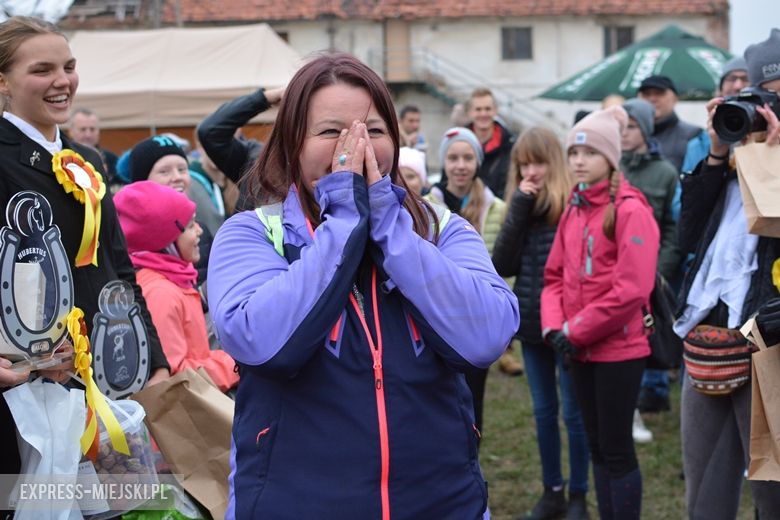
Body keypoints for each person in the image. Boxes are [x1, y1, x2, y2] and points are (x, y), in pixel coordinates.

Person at [207, 52, 519, 519]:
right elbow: (262, 343)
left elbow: (487, 336)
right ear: (292, 143)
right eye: (330, 132)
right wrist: (346, 218)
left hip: (442, 503)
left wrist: (392, 228)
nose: (355, 147)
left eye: (373, 130)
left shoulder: (441, 229)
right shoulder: (252, 233)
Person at [0, 15, 169, 479]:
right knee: (29, 502)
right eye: (42, 70)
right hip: (23, 388)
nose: (62, 81)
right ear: (3, 81)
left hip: (101, 374)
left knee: (117, 502)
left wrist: (152, 358)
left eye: (69, 67)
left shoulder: (86, 160)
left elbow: (118, 267)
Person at [674, 29, 780, 520]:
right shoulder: (738, 159)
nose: (768, 109)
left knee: (772, 494)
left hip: (768, 341)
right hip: (708, 338)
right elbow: (689, 235)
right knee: (705, 491)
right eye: (762, 96)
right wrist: (718, 152)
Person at [541, 106, 659, 520]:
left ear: (610, 158)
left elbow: (632, 289)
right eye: (574, 153)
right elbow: (554, 275)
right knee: (595, 446)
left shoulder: (631, 210)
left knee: (616, 448)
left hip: (618, 351)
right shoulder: (574, 208)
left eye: (589, 152)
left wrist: (575, 330)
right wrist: (554, 327)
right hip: (577, 347)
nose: (578, 161)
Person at [492, 127, 590, 520]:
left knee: (574, 414)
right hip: (533, 325)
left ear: (555, 164)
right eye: (523, 165)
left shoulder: (573, 205)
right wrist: (518, 205)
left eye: (539, 163)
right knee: (544, 411)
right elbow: (502, 264)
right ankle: (552, 491)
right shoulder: (522, 205)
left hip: (569, 328)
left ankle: (579, 494)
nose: (531, 172)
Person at [426, 126, 514, 430]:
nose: (460, 165)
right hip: (438, 314)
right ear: (444, 162)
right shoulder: (423, 206)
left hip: (478, 316)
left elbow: (503, 266)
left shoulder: (497, 208)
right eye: (453, 158)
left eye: (468, 158)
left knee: (474, 397)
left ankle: (472, 446)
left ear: (478, 161)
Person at [114, 181, 239, 392]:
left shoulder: (174, 279)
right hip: (190, 405)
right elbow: (176, 376)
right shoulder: (160, 293)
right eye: (190, 226)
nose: (199, 230)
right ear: (164, 240)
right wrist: (234, 364)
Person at [620, 98, 682, 418]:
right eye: (620, 127)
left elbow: (674, 226)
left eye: (631, 127)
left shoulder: (665, 173)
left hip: (652, 272)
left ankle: (652, 395)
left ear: (645, 129)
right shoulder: (611, 167)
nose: (624, 133)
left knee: (649, 334)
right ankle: (628, 409)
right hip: (615, 274)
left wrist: (661, 268)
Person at [128, 135, 215, 284]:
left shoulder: (201, 231)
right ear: (142, 182)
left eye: (182, 169)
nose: (177, 177)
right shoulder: (130, 238)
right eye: (164, 172)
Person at [637, 75, 702, 171]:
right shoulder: (626, 134)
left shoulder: (693, 135)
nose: (652, 99)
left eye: (659, 93)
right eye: (646, 94)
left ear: (675, 98)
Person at [467, 88, 516, 199]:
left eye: (488, 109)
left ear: (495, 111)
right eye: (478, 109)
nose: (483, 114)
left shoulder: (510, 146)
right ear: (470, 112)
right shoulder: (458, 143)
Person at [68, 107, 121, 189]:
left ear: (98, 131)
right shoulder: (62, 158)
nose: (88, 135)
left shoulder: (111, 159)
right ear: (71, 131)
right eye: (83, 129)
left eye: (92, 129)